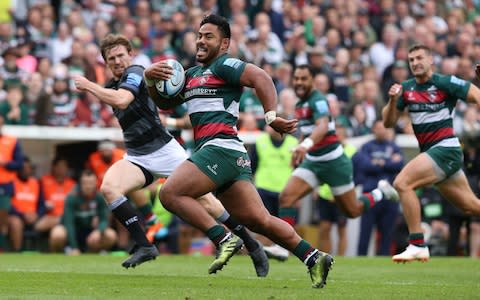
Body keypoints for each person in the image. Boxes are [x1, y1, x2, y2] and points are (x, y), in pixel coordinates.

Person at [146, 14, 332, 288]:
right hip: (228, 156)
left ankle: (222, 237)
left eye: (208, 36)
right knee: (260, 221)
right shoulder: (190, 76)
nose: (200, 40)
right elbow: (165, 100)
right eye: (199, 35)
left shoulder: (223, 65)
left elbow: (261, 77)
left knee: (170, 193)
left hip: (219, 149)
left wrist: (270, 116)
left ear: (224, 44)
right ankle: (313, 256)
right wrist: (151, 80)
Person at [73, 33, 268, 276]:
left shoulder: (135, 72)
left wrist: (88, 85)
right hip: (136, 155)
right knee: (109, 188)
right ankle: (145, 245)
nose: (117, 61)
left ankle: (251, 244)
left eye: (121, 55)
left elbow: (123, 101)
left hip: (165, 150)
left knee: (207, 201)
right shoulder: (112, 85)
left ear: (130, 55)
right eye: (111, 58)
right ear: (105, 62)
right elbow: (116, 96)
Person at [382, 44, 480, 263]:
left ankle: (417, 244)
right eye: (411, 60)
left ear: (431, 60)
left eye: (419, 58)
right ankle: (418, 245)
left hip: (445, 149)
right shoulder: (406, 89)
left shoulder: (445, 82)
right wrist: (391, 100)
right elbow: (388, 122)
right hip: (434, 154)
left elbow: (475, 94)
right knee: (470, 206)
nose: (415, 63)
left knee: (402, 184)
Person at [278, 64, 399, 236]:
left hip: (334, 163)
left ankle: (381, 192)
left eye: (303, 78)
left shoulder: (318, 100)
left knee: (353, 210)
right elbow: (308, 131)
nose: (299, 82)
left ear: (312, 80)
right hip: (313, 162)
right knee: (286, 198)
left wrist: (305, 146)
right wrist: (300, 148)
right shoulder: (301, 104)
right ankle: (285, 244)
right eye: (296, 78)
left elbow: (323, 126)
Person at [353, 119, 403, 256]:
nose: (382, 130)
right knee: (365, 232)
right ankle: (360, 261)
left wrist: (378, 163)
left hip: (389, 196)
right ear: (374, 129)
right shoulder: (366, 147)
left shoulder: (394, 147)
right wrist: (388, 162)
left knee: (387, 234)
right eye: (379, 128)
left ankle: (384, 262)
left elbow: (399, 165)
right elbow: (365, 165)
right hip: (370, 195)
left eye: (384, 128)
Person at [49, 170, 117, 254]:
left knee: (111, 235)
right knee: (57, 234)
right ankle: (64, 253)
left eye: (91, 183)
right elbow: (69, 223)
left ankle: (92, 253)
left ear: (96, 183)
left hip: (89, 232)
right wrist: (74, 247)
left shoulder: (99, 197)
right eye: (85, 183)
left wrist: (99, 231)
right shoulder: (72, 197)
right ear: (80, 184)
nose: (88, 186)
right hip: (72, 231)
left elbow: (104, 219)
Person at [8, 157, 45, 252]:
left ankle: (45, 252)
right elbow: (7, 204)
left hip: (34, 218)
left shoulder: (36, 183)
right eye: (23, 168)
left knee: (53, 221)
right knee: (15, 223)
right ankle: (17, 252)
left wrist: (37, 215)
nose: (26, 170)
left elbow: (42, 204)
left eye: (28, 168)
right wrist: (22, 215)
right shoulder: (11, 182)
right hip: (17, 216)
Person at [0, 114, 24, 251]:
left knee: (3, 215)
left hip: (4, 185)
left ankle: (4, 248)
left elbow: (19, 163)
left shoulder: (12, 141)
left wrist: (5, 163)